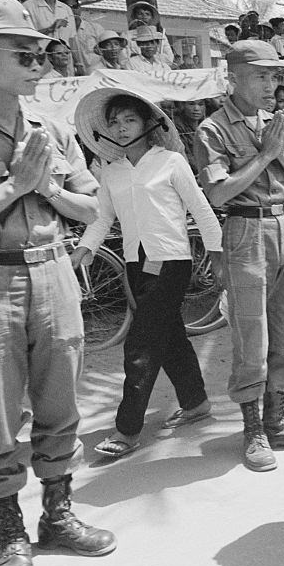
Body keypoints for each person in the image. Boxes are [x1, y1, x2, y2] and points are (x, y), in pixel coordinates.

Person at [0, 0, 115, 566]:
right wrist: (14, 186)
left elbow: (92, 205)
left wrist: (48, 190)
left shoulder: (50, 128)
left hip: (53, 269)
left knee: (61, 404)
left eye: (43, 51)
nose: (39, 61)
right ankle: (10, 532)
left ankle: (57, 514)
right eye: (24, 51)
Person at [70, 89, 222, 459]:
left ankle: (127, 430)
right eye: (114, 122)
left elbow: (201, 210)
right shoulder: (111, 169)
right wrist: (85, 249)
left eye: (129, 120)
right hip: (136, 263)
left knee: (140, 346)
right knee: (168, 335)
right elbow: (103, 216)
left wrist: (218, 257)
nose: (121, 129)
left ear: (148, 124)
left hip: (170, 262)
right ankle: (196, 401)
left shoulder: (170, 161)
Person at [194, 40, 284, 472]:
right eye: (261, 75)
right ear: (234, 78)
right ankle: (254, 431)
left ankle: (278, 421)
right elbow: (217, 192)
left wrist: (279, 150)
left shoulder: (278, 123)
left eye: (274, 75)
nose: (271, 84)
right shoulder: (213, 129)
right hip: (245, 227)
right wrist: (266, 155)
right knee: (252, 337)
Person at [57, 0, 102, 75]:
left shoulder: (95, 28)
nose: (72, 10)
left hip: (96, 75)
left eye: (75, 6)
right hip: (71, 76)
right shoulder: (58, 31)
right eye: (68, 7)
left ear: (79, 8)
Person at [127, 1, 175, 67]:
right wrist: (138, 58)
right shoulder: (127, 35)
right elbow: (123, 60)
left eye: (147, 14)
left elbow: (169, 59)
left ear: (152, 17)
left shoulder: (160, 36)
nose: (144, 16)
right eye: (140, 14)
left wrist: (152, 57)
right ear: (134, 16)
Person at [172, 99, 209, 173]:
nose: (196, 109)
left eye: (201, 104)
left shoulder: (207, 125)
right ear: (182, 106)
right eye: (191, 104)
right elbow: (185, 154)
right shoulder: (177, 126)